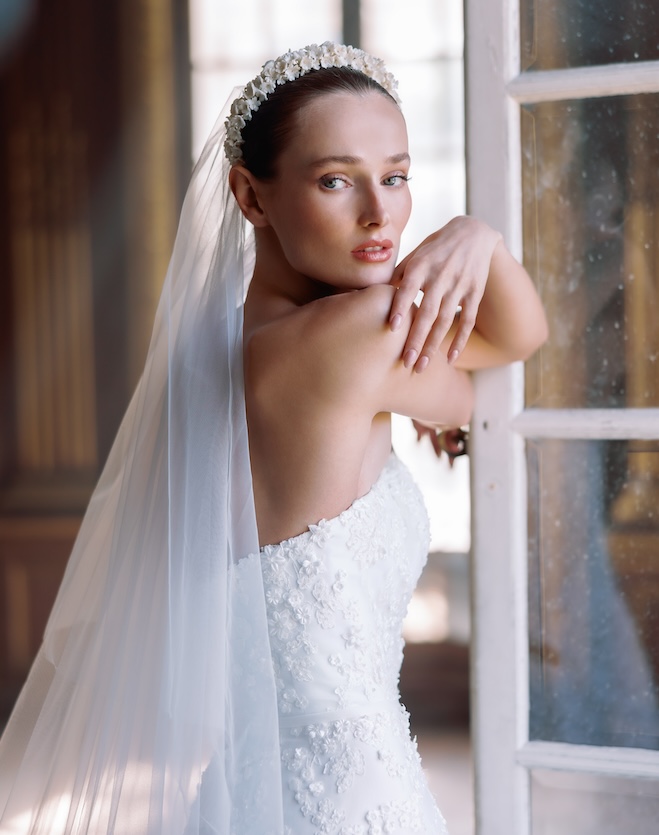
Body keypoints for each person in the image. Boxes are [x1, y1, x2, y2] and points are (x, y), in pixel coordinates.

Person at [0, 43, 547, 834]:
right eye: (336, 180)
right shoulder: (360, 333)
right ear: (250, 197)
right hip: (355, 803)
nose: (381, 215)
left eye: (396, 176)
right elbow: (518, 342)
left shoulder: (212, 353)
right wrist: (477, 237)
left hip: (247, 785)